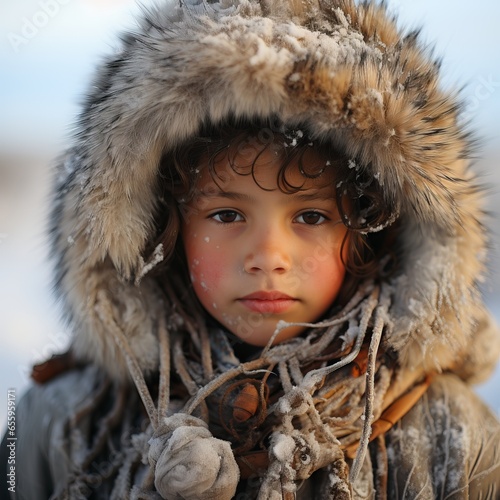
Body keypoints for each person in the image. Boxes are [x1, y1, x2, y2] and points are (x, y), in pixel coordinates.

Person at [2, 0, 500, 498]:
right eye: (227, 215)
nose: (268, 256)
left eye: (310, 216)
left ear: (372, 232)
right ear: (160, 229)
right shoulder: (62, 423)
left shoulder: (452, 435)